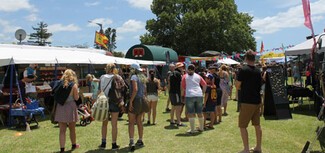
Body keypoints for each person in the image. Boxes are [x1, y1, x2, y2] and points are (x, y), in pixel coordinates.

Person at [236, 50, 262, 153]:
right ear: (254, 59)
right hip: (257, 101)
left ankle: (246, 149)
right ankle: (258, 147)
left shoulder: (243, 70)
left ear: (246, 58)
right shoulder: (258, 70)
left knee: (242, 126)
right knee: (257, 125)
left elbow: (237, 85)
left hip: (247, 101)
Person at [98, 63, 125, 150]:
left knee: (104, 124)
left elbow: (99, 90)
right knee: (114, 124)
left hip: (104, 101)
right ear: (114, 69)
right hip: (115, 101)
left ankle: (103, 143)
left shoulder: (102, 77)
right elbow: (123, 88)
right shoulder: (118, 77)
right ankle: (114, 144)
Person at [54, 69, 80, 153]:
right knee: (72, 129)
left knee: (62, 130)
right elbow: (76, 98)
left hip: (61, 107)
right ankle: (74, 144)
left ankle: (62, 149)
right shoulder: (73, 85)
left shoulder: (59, 84)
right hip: (71, 107)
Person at [181, 64, 207, 133]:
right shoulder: (198, 76)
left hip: (189, 95)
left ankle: (192, 129)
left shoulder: (184, 76)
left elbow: (183, 88)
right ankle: (201, 128)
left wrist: (182, 96)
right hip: (199, 94)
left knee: (191, 113)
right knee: (199, 112)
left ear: (187, 69)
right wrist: (203, 93)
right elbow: (204, 85)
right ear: (194, 69)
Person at [128, 63, 147, 151]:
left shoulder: (134, 77)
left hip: (136, 100)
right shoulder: (142, 77)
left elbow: (135, 89)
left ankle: (132, 141)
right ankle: (140, 139)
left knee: (131, 122)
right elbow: (144, 90)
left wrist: (131, 101)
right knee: (139, 121)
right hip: (142, 99)